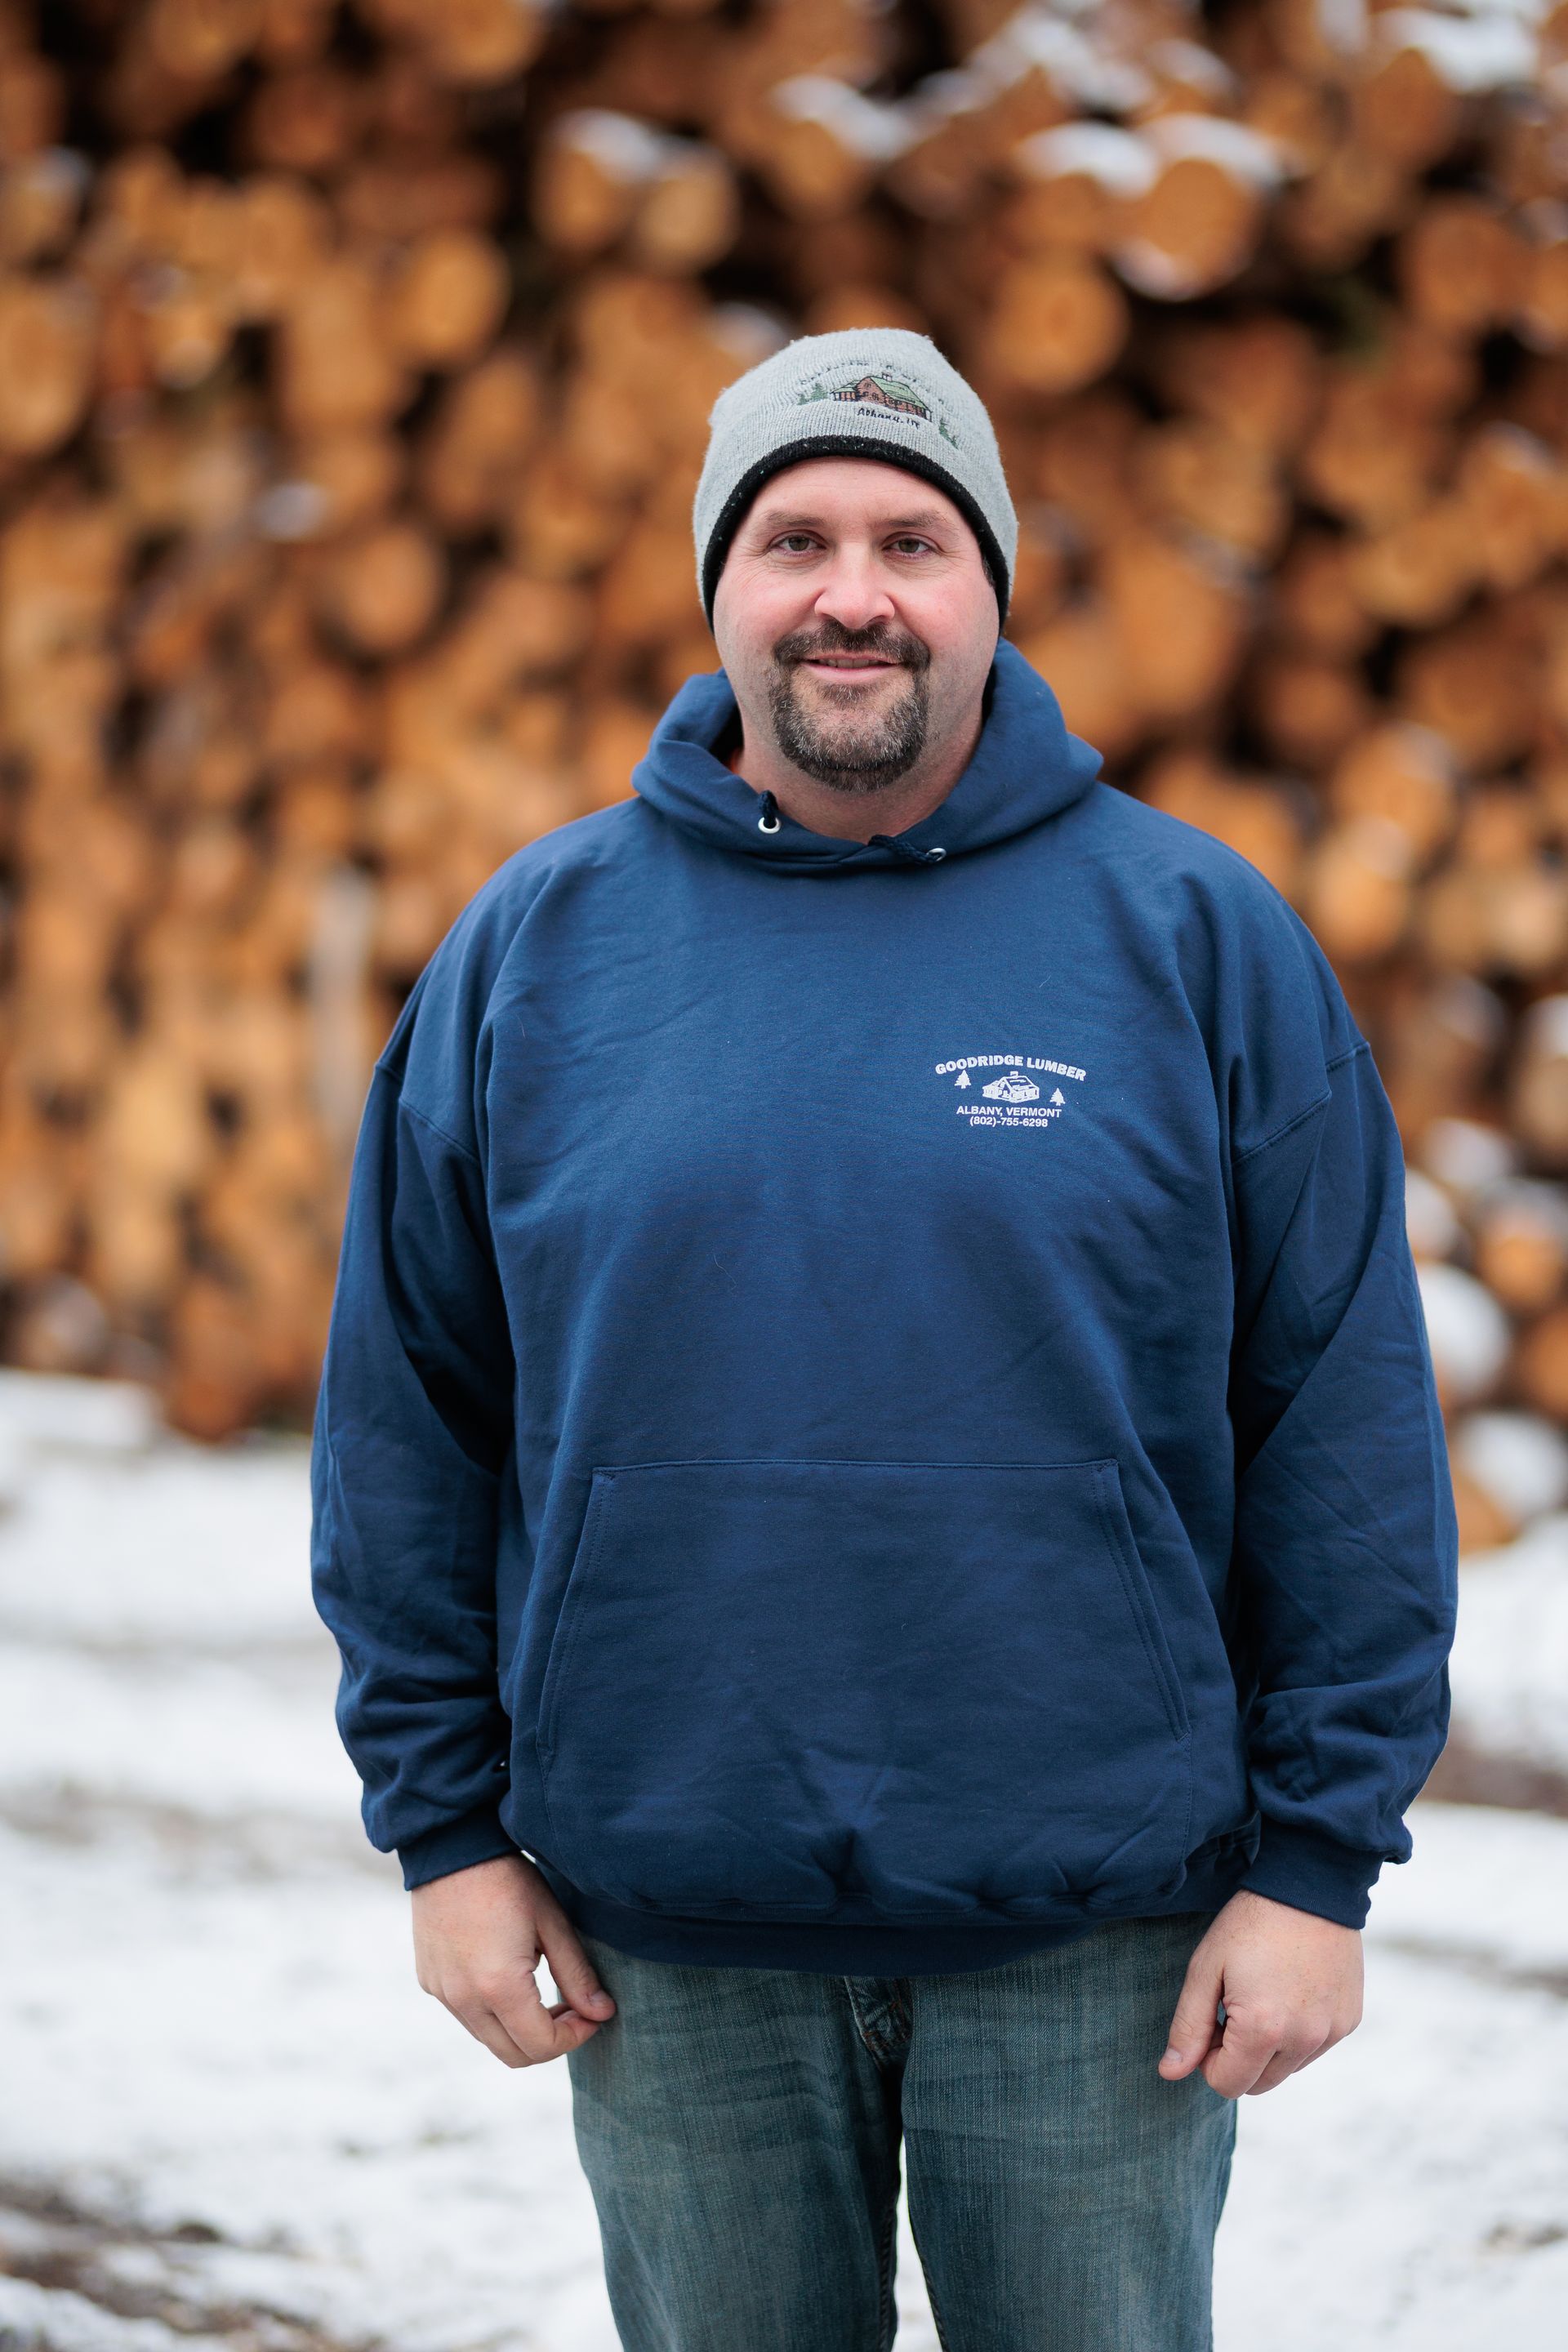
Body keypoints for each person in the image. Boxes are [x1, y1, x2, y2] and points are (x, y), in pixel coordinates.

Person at [310, 328, 1459, 2351]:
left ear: (989, 587)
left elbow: (1339, 1415)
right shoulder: (541, 948)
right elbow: (412, 1417)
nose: (853, 591)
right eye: (795, 537)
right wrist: (448, 1829)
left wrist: (1317, 1865)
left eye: (913, 539)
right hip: (663, 1934)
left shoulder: (1191, 938)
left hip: (1099, 1933)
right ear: (721, 590)